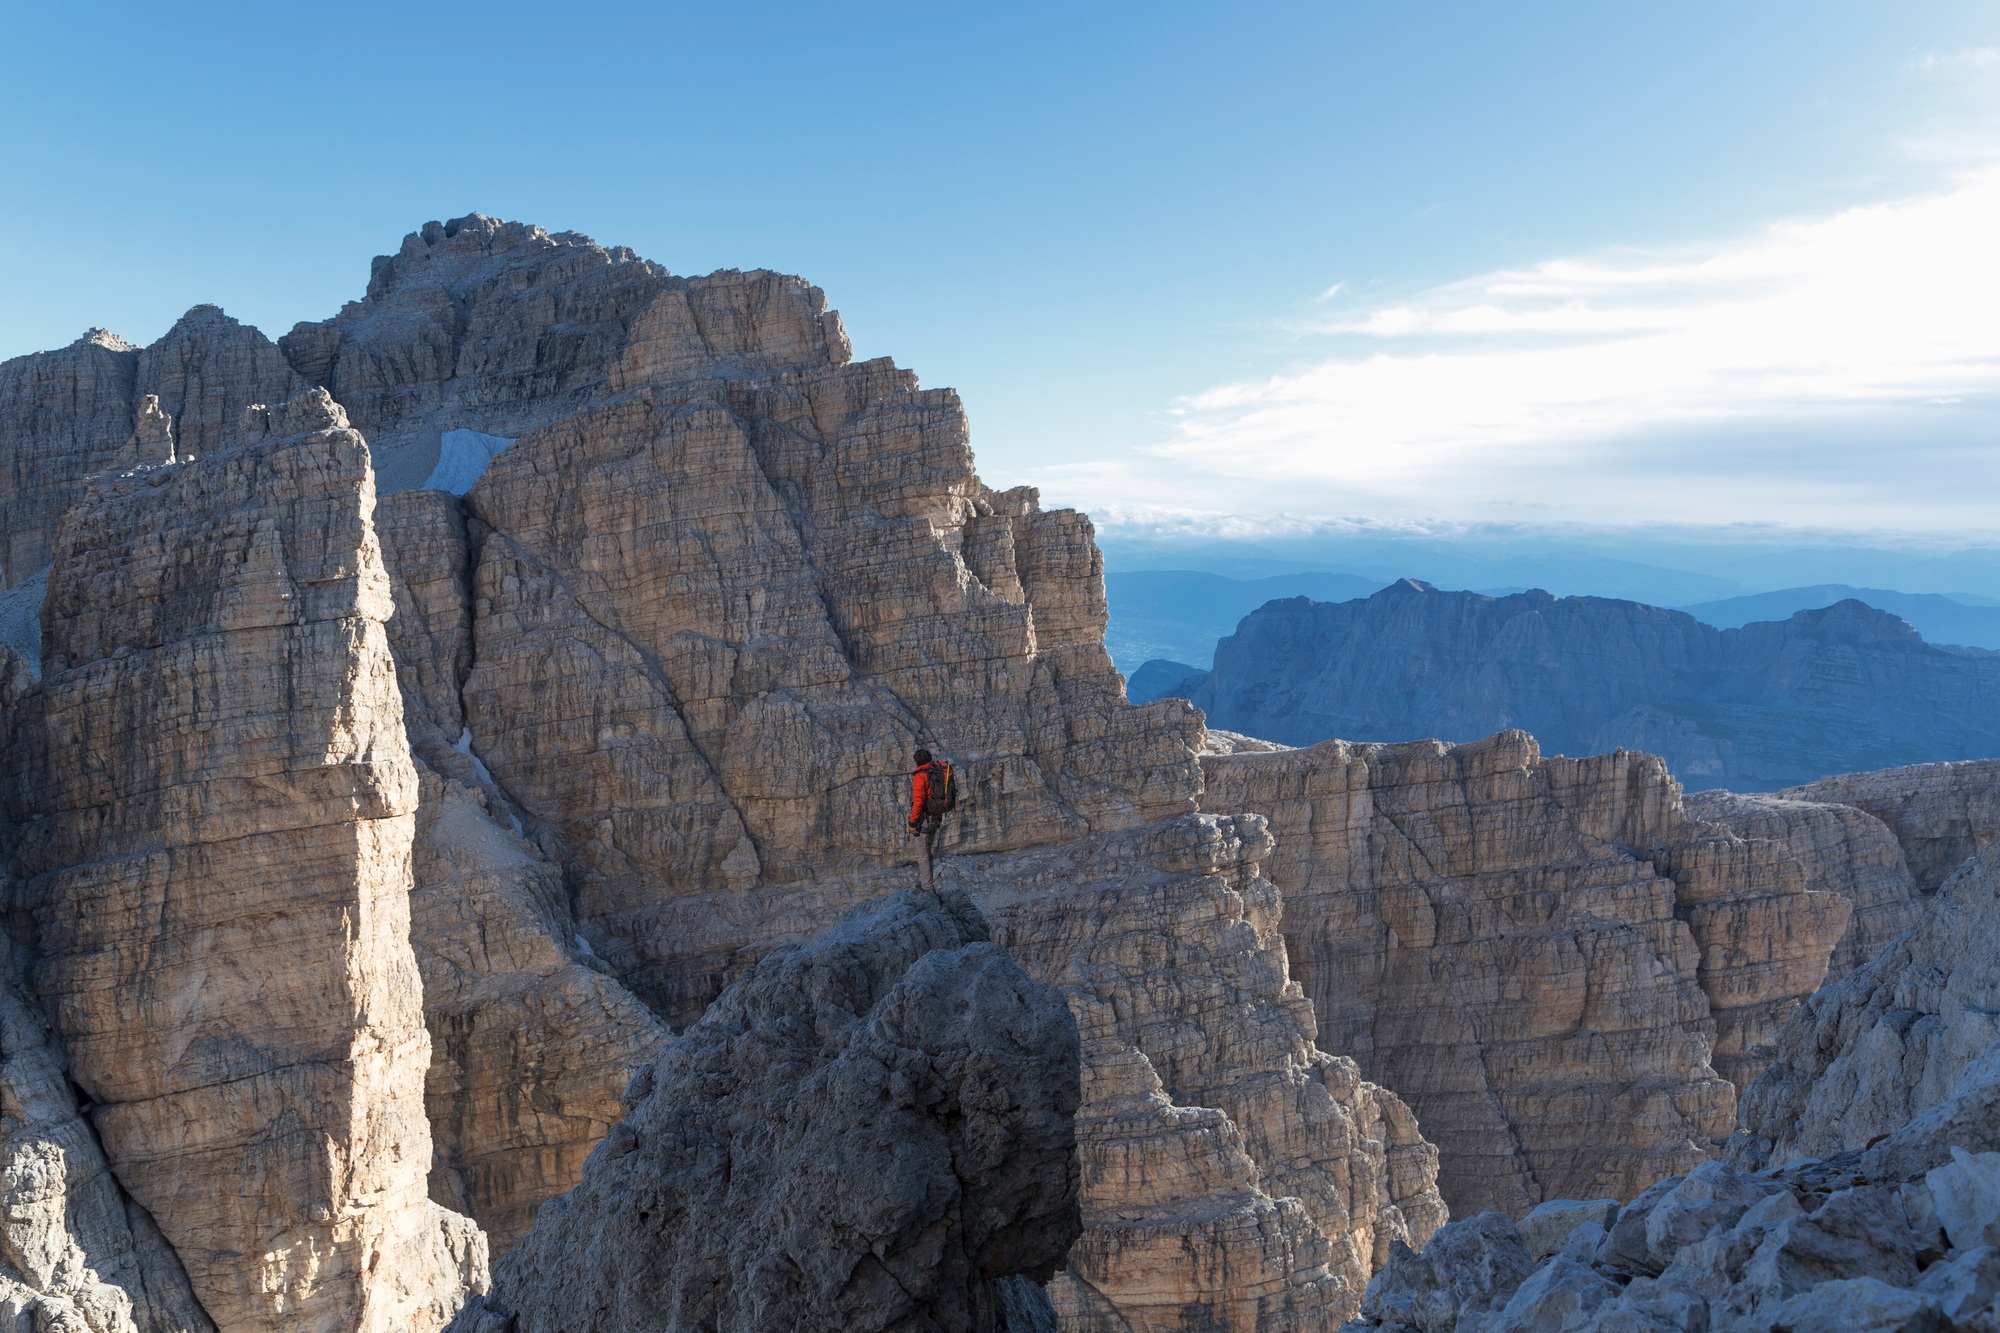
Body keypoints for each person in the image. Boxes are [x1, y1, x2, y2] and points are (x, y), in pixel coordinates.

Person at [907, 747, 954, 889]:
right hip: (936, 816)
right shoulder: (938, 769)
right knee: (928, 851)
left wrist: (912, 822)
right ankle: (928, 882)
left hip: (924, 819)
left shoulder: (920, 776)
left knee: (922, 854)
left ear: (917, 762)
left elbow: (919, 801)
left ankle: (926, 886)